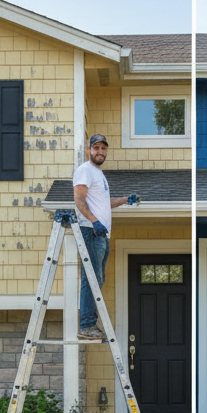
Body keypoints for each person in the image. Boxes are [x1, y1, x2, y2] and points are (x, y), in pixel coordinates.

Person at [73, 133, 139, 340]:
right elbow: (79, 200)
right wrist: (94, 221)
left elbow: (104, 203)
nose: (100, 152)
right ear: (89, 150)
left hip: (101, 233)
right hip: (91, 231)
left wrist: (125, 200)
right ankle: (86, 325)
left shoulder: (98, 174)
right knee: (92, 278)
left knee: (98, 278)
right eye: (96, 148)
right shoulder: (84, 170)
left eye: (103, 148)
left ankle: (89, 323)